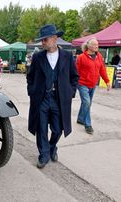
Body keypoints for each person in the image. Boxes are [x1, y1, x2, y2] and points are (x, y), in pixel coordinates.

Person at [27, 24, 79, 169]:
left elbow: (74, 77)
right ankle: (43, 155)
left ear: (55, 38)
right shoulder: (38, 57)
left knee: (57, 129)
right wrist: (32, 91)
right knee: (41, 128)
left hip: (59, 99)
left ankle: (51, 147)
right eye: (42, 40)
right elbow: (30, 76)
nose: (42, 42)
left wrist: (70, 92)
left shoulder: (67, 56)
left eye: (45, 39)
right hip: (41, 99)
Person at [76, 37, 111, 134]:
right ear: (89, 46)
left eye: (97, 45)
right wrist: (73, 84)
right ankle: (88, 125)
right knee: (87, 102)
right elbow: (76, 72)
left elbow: (102, 69)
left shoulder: (99, 56)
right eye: (95, 45)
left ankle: (80, 118)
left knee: (86, 103)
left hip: (93, 84)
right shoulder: (81, 57)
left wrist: (107, 81)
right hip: (82, 83)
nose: (97, 46)